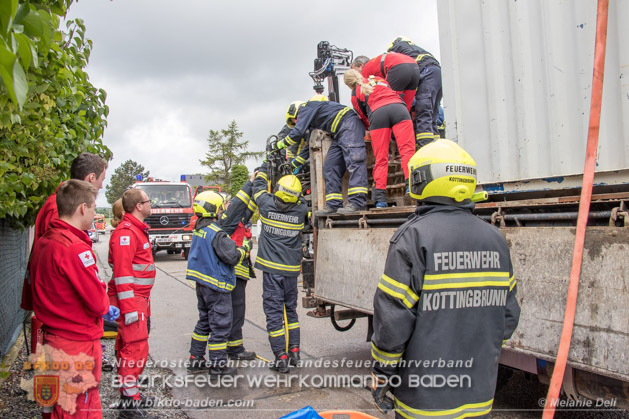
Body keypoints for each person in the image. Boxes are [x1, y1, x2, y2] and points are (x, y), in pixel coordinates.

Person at [370, 139, 521, 417]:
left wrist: (383, 374)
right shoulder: (495, 238)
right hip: (479, 395)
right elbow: (508, 315)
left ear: (422, 181)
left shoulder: (413, 237)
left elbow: (393, 320)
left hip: (425, 401)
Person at [29, 179, 115, 419]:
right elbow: (98, 303)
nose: (95, 213)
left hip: (52, 340)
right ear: (82, 208)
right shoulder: (74, 248)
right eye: (94, 207)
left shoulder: (45, 241)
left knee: (55, 406)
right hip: (75, 345)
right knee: (79, 408)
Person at [22, 152, 107, 311]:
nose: (101, 185)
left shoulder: (57, 204)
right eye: (102, 179)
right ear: (91, 177)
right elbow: (56, 267)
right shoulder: (59, 210)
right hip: (63, 311)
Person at [185, 191, 250, 376]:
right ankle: (218, 366)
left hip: (202, 285)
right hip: (217, 286)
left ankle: (195, 359)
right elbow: (232, 257)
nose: (223, 210)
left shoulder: (199, 229)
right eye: (221, 207)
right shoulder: (217, 234)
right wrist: (245, 249)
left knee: (204, 322)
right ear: (215, 209)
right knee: (220, 325)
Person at [252, 163, 309, 373]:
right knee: (290, 311)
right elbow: (301, 199)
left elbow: (257, 188)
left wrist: (263, 171)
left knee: (274, 312)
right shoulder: (301, 209)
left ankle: (280, 357)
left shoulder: (267, 206)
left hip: (272, 271)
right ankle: (294, 351)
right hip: (291, 271)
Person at [273, 96, 368, 215]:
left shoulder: (306, 107)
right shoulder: (313, 120)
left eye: (295, 119)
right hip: (339, 133)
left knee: (355, 162)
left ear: (296, 110)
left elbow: (298, 132)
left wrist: (279, 145)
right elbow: (308, 147)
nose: (297, 122)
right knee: (330, 167)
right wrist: (295, 164)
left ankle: (357, 203)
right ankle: (333, 205)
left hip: (349, 125)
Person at [107, 188, 156, 416]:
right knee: (133, 350)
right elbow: (123, 276)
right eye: (148, 201)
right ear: (139, 206)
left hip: (139, 300)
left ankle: (132, 394)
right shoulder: (126, 234)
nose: (150, 205)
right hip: (132, 301)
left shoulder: (135, 230)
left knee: (134, 349)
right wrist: (129, 311)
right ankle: (129, 403)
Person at [344, 69, 416, 207]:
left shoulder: (355, 93)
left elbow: (363, 116)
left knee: (381, 158)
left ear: (349, 85)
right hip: (399, 109)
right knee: (407, 151)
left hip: (378, 116)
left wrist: (369, 128)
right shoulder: (378, 79)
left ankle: (381, 200)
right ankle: (411, 187)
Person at [216, 174, 259, 361]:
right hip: (231, 273)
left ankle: (232, 347)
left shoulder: (237, 220)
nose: (229, 204)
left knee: (236, 312)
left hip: (237, 274)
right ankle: (233, 349)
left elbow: (248, 207)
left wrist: (259, 188)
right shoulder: (227, 220)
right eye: (227, 202)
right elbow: (240, 203)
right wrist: (249, 182)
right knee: (233, 312)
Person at [388, 36, 442, 148]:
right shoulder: (414, 50)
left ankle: (425, 148)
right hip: (437, 73)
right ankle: (436, 146)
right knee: (432, 115)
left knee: (423, 110)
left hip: (428, 72)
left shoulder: (398, 50)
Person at [351, 52, 420, 112]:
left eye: (353, 70)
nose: (354, 74)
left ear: (361, 65)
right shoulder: (375, 64)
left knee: (391, 102)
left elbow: (361, 92)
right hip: (414, 66)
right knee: (406, 105)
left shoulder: (365, 70)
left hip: (398, 67)